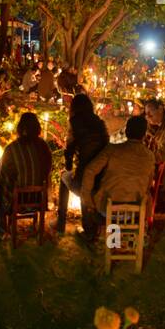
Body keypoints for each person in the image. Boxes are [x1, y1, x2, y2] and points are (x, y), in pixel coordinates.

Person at [80, 115, 155, 241]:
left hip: (107, 210)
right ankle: (123, 240)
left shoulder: (112, 149)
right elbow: (148, 185)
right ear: (144, 134)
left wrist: (87, 199)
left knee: (84, 193)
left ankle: (92, 236)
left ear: (126, 131)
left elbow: (90, 171)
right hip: (135, 212)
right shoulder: (150, 156)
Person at [0, 113, 53, 241]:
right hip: (38, 199)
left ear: (20, 128)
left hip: (17, 200)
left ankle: (1, 230)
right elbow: (47, 172)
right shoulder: (44, 147)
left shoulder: (12, 149)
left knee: (1, 181)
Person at [64, 94, 110, 236]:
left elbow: (70, 146)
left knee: (66, 178)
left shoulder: (74, 121)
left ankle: (64, 223)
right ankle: (92, 225)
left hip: (85, 171)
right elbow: (107, 145)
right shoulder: (99, 122)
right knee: (88, 185)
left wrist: (68, 165)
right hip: (101, 172)